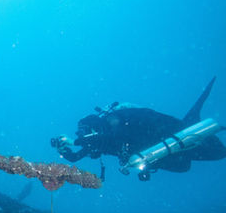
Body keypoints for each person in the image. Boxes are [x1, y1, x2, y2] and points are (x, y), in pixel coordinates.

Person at [53, 77, 226, 180]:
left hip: (170, 135)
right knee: (218, 153)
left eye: (85, 131)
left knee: (218, 151)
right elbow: (75, 157)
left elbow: (117, 135)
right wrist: (64, 150)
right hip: (172, 152)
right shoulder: (100, 142)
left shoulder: (113, 119)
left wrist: (75, 141)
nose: (85, 136)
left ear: (95, 125)